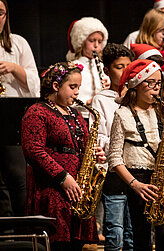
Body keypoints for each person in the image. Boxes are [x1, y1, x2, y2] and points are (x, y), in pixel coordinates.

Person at [21, 61, 106, 251]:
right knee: (57, 243)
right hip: (51, 188)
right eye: (72, 87)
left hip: (77, 189)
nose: (77, 92)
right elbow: (33, 150)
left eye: (79, 87)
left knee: (76, 244)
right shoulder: (37, 111)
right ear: (56, 86)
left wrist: (94, 156)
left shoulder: (75, 114)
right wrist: (62, 177)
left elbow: (83, 147)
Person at [108, 59, 164, 251]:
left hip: (163, 178)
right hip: (138, 179)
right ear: (136, 85)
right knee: (141, 237)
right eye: (150, 83)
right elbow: (114, 158)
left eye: (159, 83)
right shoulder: (122, 114)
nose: (156, 88)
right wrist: (135, 185)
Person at [89, 43, 135, 251]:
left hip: (137, 171)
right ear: (107, 70)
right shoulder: (101, 100)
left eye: (128, 66)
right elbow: (99, 136)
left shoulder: (137, 98)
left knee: (133, 232)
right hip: (114, 173)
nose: (125, 71)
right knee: (114, 231)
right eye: (119, 67)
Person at [0, 0, 40, 218]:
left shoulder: (18, 43)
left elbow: (35, 82)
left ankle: (24, 224)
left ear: (6, 16)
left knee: (18, 175)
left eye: (0, 13)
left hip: (12, 115)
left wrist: (15, 68)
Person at [66, 16, 110, 118]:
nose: (96, 45)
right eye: (92, 40)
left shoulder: (104, 67)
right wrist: (87, 102)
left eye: (100, 41)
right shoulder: (73, 67)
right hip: (81, 116)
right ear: (81, 42)